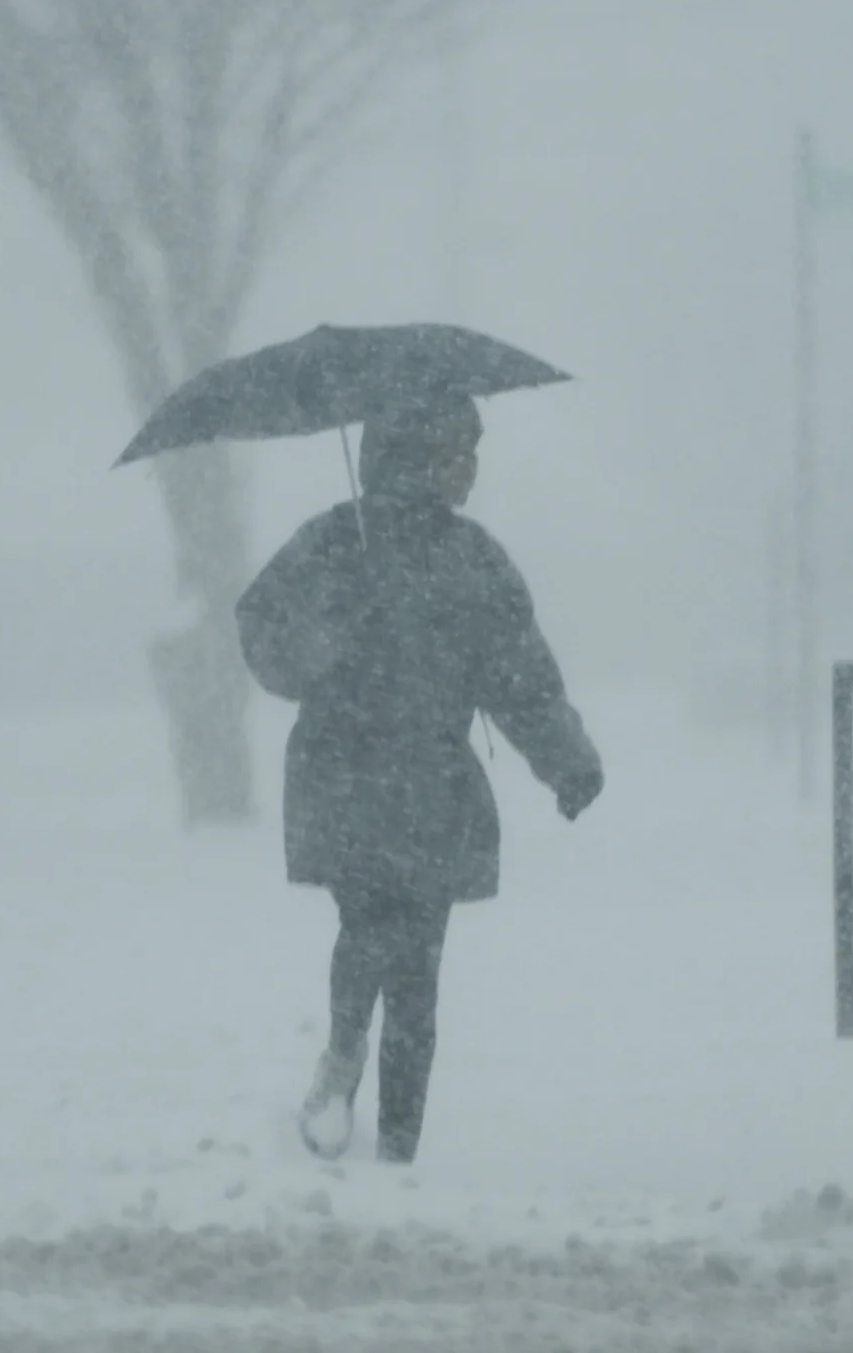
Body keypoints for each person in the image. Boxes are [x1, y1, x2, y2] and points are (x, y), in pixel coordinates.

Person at [235, 390, 601, 1165]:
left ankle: (387, 1127)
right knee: (386, 939)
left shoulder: (436, 554)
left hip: (405, 783)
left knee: (407, 964)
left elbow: (521, 680)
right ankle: (355, 1076)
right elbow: (261, 621)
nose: (469, 469)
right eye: (456, 453)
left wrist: (566, 759)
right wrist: (314, 652)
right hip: (375, 778)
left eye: (473, 453)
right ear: (412, 458)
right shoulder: (380, 546)